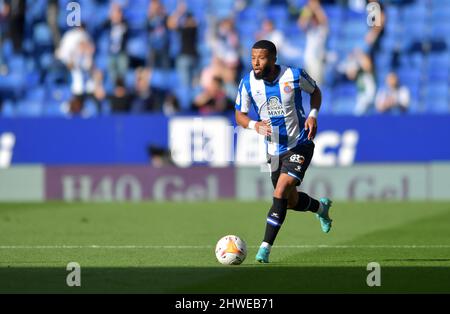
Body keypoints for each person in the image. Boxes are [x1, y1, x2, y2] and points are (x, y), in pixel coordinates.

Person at [235, 40, 333, 263]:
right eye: (253, 58)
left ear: (273, 58)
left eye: (261, 58)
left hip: (300, 143)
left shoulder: (294, 75)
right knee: (289, 201)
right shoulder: (247, 83)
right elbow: (239, 115)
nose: (256, 63)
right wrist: (254, 125)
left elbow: (315, 91)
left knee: (280, 190)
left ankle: (264, 249)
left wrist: (313, 115)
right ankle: (320, 208)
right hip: (273, 150)